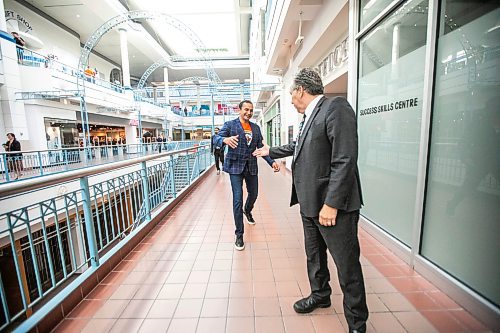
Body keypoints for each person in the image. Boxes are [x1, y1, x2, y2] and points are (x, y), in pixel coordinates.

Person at [253, 68, 368, 333]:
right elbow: (300, 146)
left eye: (291, 95)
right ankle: (320, 294)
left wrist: (332, 204)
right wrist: (271, 151)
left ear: (300, 91)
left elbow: (345, 159)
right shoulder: (309, 117)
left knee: (347, 265)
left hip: (332, 207)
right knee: (314, 257)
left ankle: (357, 323)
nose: (291, 101)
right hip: (309, 204)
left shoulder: (335, 108)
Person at [214, 100, 280, 250]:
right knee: (237, 199)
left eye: (251, 110)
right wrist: (224, 139)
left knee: (254, 194)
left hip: (251, 167)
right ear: (239, 110)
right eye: (246, 110)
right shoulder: (230, 125)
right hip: (235, 168)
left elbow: (261, 148)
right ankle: (239, 235)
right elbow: (215, 138)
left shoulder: (256, 128)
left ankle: (248, 210)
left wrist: (272, 162)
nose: (249, 113)